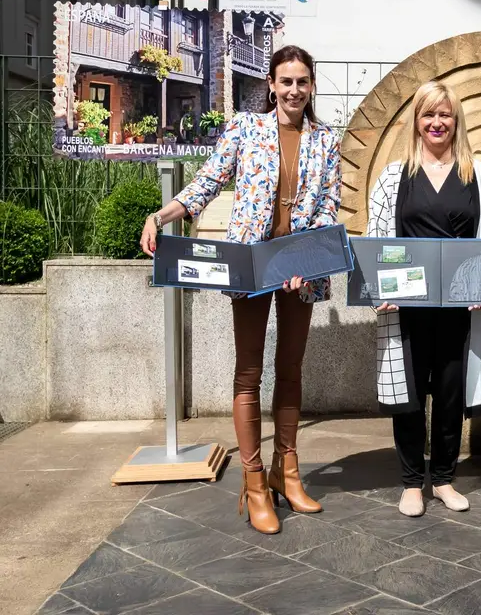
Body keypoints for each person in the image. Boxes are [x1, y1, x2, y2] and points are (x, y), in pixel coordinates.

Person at [139, 45, 341, 534]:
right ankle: (253, 484)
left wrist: (304, 260)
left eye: (303, 82)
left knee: (290, 368)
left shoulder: (326, 140)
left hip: (299, 269)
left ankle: (286, 472)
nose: (294, 90)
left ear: (312, 86)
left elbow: (329, 206)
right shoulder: (245, 129)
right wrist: (162, 214)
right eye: (286, 81)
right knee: (248, 372)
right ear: (271, 85)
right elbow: (210, 181)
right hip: (249, 266)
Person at [366, 80, 481, 518]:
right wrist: (381, 291)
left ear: (456, 121)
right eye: (428, 114)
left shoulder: (477, 175)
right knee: (409, 395)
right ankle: (412, 482)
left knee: (449, 394)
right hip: (406, 308)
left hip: (459, 308)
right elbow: (378, 238)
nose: (436, 123)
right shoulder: (394, 176)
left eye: (444, 115)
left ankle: (444, 478)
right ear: (416, 121)